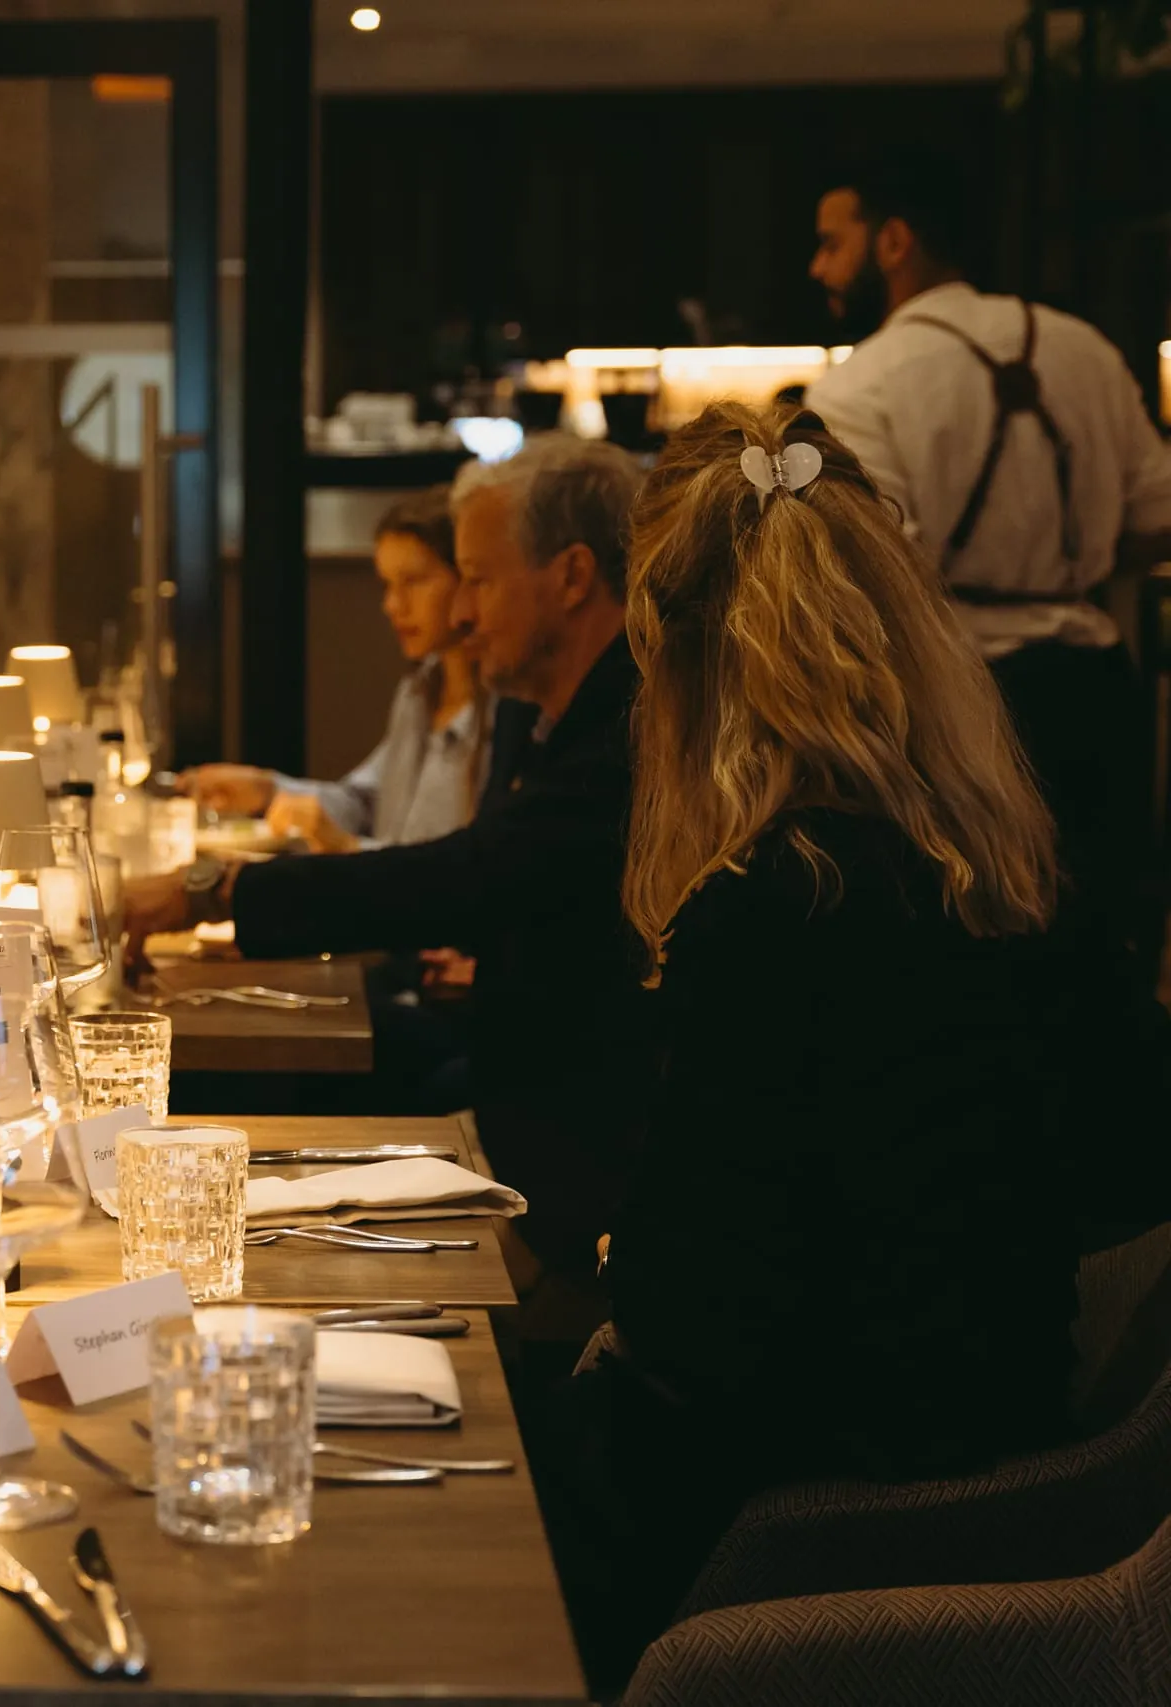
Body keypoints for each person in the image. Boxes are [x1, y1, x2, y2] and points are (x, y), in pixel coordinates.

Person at [534, 402, 1077, 1689]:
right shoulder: (988, 877)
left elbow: (699, 1339)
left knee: (453, 1505)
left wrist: (622, 1256)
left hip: (830, 1492)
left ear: (679, 666)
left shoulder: (773, 906)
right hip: (1010, 1446)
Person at [125, 435, 650, 1326]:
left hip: (565, 1194)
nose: (463, 615)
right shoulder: (546, 715)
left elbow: (463, 873)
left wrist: (213, 888)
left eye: (477, 579)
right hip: (515, 1135)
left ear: (570, 577)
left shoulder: (623, 732)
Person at [805, 150, 1171, 980]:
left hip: (961, 706)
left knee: (979, 966)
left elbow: (875, 572)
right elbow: (1161, 520)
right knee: (1105, 961)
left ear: (893, 240)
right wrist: (1065, 556)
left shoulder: (859, 388)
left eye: (832, 241)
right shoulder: (1082, 347)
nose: (817, 265)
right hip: (1097, 688)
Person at [186, 486, 491, 850]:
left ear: (467, 581)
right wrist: (266, 790)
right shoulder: (419, 690)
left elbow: (463, 875)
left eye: (413, 581)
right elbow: (364, 801)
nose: (393, 605)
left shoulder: (504, 718)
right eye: (387, 585)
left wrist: (349, 849)